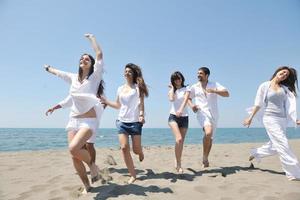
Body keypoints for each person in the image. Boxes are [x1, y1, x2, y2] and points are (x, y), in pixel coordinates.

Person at [44, 33, 104, 193]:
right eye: (81, 58)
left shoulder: (95, 77)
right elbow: (60, 73)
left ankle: (93, 166)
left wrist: (91, 38)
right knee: (74, 155)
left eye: (87, 59)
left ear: (91, 64)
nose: (83, 60)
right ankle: (87, 186)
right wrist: (48, 68)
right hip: (73, 120)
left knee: (73, 148)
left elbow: (99, 54)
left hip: (88, 121)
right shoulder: (73, 78)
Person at [243, 66, 300, 180]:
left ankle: (256, 153)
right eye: (283, 72)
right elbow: (258, 103)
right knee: (283, 143)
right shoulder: (265, 85)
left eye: (287, 75)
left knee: (275, 146)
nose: (284, 75)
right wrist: (250, 117)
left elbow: (289, 107)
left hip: (282, 120)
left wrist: (295, 119)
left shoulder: (285, 89)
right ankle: (294, 173)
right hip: (269, 118)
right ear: (278, 71)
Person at [100, 63, 148, 184]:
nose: (127, 73)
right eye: (125, 71)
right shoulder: (120, 89)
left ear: (134, 74)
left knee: (136, 150)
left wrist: (142, 115)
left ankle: (140, 152)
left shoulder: (138, 87)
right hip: (122, 122)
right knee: (124, 148)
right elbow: (118, 105)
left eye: (129, 71)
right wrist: (106, 101)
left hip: (135, 122)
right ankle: (133, 175)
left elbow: (141, 104)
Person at [46, 94, 105, 166]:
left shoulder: (95, 89)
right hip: (76, 121)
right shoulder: (76, 91)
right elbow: (66, 102)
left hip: (91, 121)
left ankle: (92, 165)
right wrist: (53, 108)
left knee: (89, 144)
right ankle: (90, 165)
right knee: (79, 146)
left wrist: (100, 109)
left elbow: (104, 102)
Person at [188, 67, 229, 167]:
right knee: (208, 132)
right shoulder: (194, 87)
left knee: (210, 138)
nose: (198, 75)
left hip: (214, 114)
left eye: (201, 73)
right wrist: (192, 106)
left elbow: (227, 94)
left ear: (207, 75)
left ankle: (205, 158)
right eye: (198, 73)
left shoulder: (214, 84)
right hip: (202, 113)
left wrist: (214, 91)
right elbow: (188, 98)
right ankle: (204, 157)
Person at [168, 71, 190, 173]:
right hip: (173, 117)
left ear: (182, 78)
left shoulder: (187, 88)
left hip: (184, 117)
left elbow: (186, 100)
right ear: (173, 80)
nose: (178, 80)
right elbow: (171, 99)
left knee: (180, 142)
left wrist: (181, 109)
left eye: (179, 78)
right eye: (175, 79)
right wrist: (172, 88)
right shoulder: (172, 90)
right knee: (179, 139)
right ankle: (178, 164)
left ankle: (178, 163)